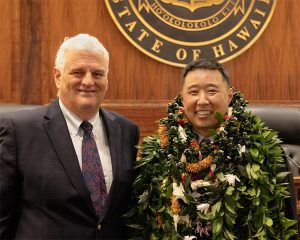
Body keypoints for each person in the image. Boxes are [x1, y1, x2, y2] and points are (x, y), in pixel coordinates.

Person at [128, 59, 297, 239]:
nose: (202, 101)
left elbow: (282, 222)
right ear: (182, 99)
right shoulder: (159, 152)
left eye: (211, 91)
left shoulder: (261, 151)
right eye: (193, 92)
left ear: (230, 96)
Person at [0, 33, 139, 239]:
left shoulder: (126, 131)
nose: (88, 81)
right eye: (78, 72)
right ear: (58, 76)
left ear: (107, 79)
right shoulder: (19, 131)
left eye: (98, 74)